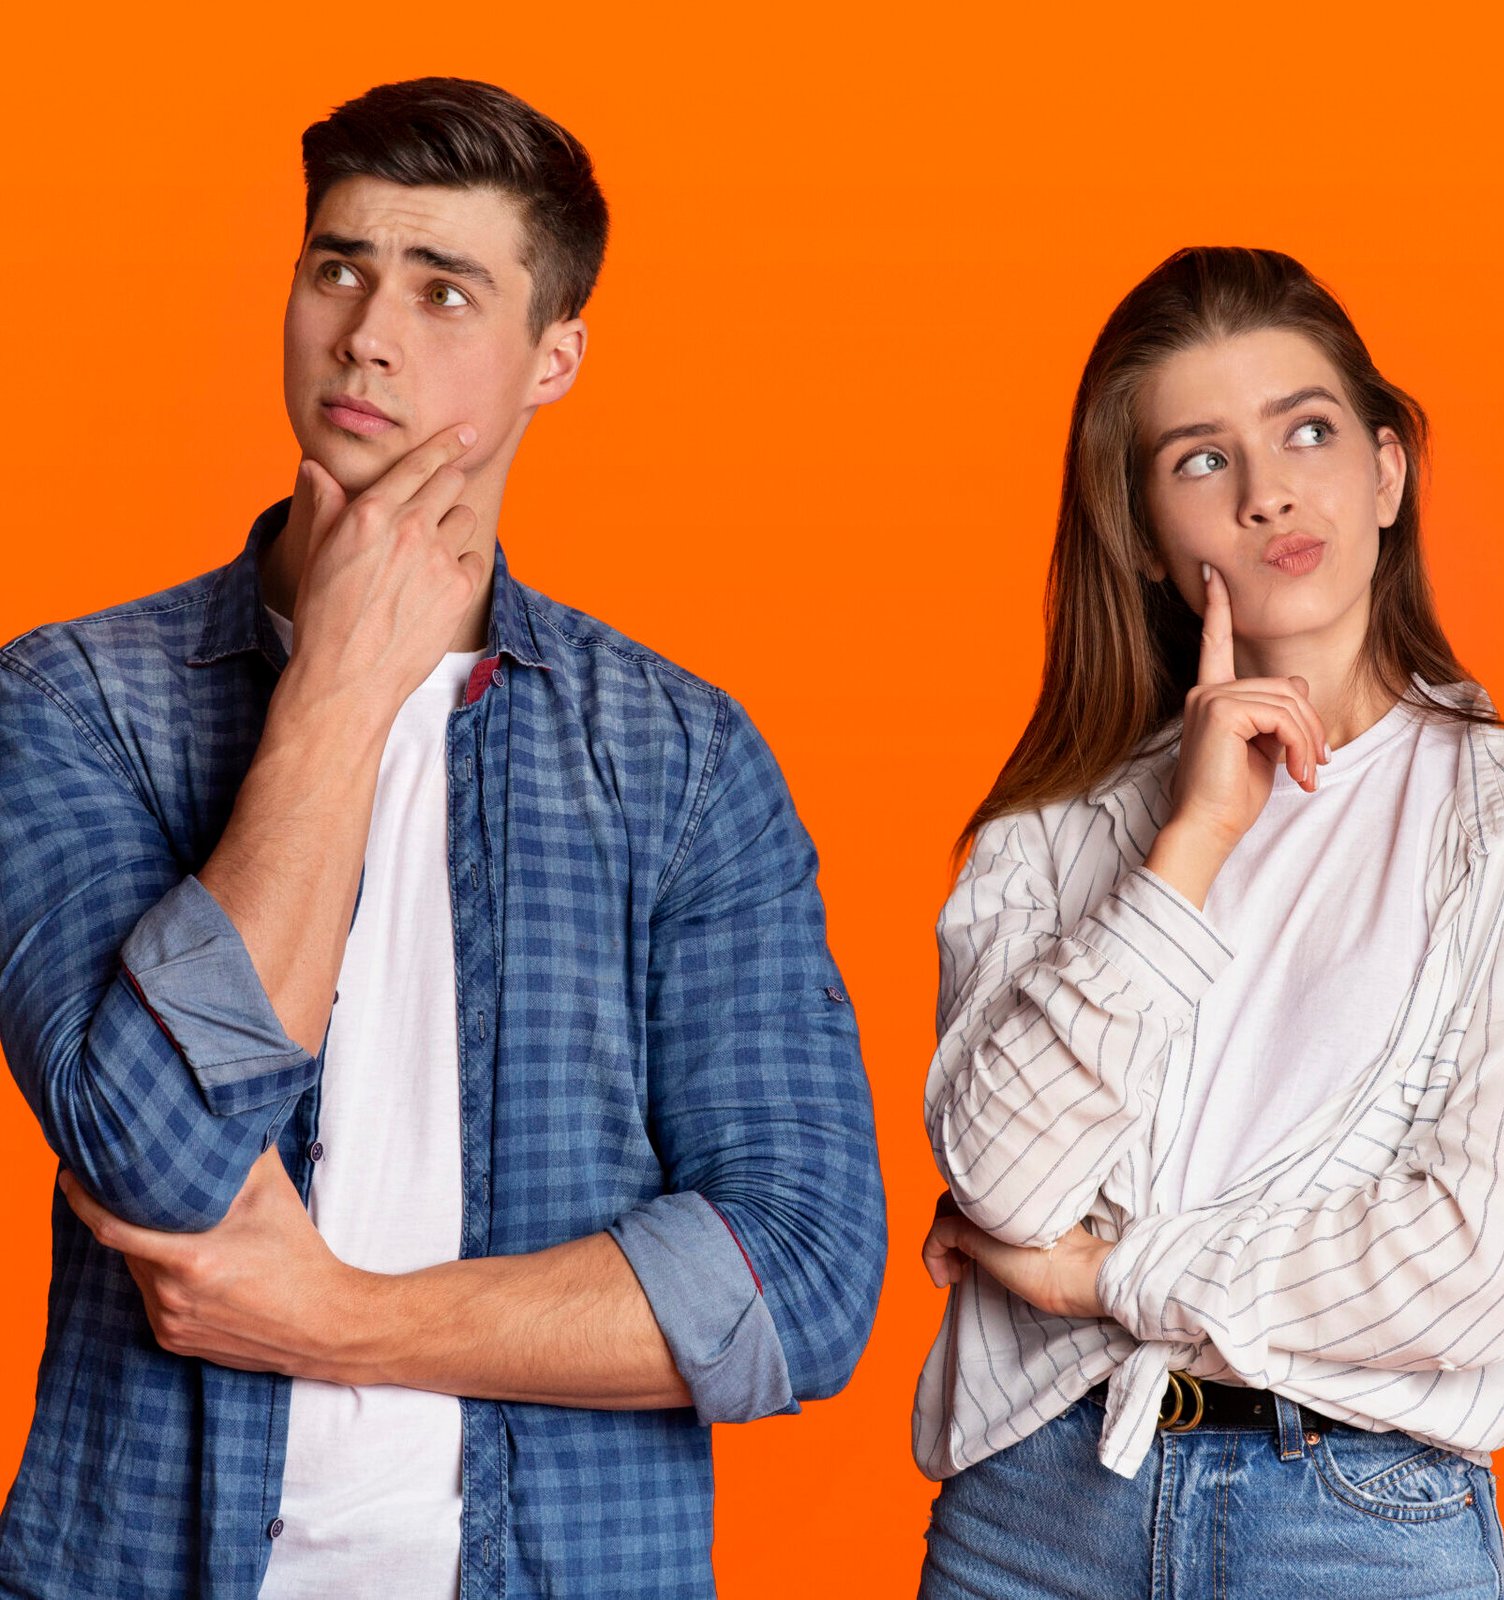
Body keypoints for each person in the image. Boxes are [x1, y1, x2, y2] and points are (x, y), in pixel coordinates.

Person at [0, 76, 885, 1600]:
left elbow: (797, 1285)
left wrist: (329, 1316)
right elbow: (155, 1157)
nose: (367, 332)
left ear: (556, 357)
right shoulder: (81, 701)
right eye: (335, 265)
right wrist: (340, 683)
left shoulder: (678, 760)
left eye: (443, 288)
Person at [911, 245, 1504, 1597]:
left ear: (1387, 473)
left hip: (1355, 1520)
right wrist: (1192, 846)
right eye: (1202, 460)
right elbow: (998, 1177)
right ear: (1152, 539)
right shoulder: (1055, 831)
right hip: (1033, 1515)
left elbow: (1476, 1264)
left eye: (1307, 430)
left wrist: (1102, 1279)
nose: (1270, 488)